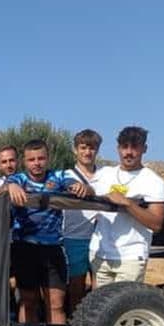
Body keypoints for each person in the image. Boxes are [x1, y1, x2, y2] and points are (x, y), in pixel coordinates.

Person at [6, 139, 91, 325]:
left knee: (56, 304)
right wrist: (11, 187)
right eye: (31, 159)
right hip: (24, 248)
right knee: (28, 302)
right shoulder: (18, 179)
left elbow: (75, 185)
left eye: (41, 158)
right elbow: (6, 185)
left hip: (53, 248)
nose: (37, 163)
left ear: (48, 158)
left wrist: (81, 187)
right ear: (24, 161)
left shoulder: (58, 176)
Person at [89, 126, 164, 286]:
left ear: (144, 149)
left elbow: (156, 223)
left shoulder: (153, 181)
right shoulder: (103, 174)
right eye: (124, 147)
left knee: (125, 303)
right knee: (99, 302)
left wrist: (128, 203)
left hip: (131, 257)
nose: (129, 152)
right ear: (118, 148)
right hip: (100, 254)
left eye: (134, 147)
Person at [63, 129, 102, 312]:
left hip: (101, 239)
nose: (87, 152)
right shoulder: (66, 175)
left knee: (100, 289)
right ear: (75, 150)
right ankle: (74, 324)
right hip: (74, 238)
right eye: (83, 148)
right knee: (75, 289)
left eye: (92, 148)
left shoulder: (105, 176)